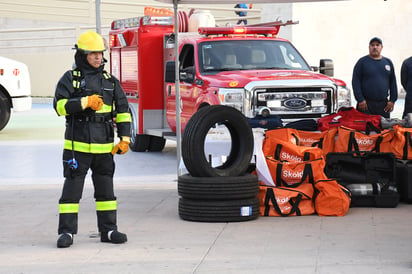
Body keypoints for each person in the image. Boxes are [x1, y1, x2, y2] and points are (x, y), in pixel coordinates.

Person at [53, 30, 132, 248]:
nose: (98, 57)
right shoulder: (70, 79)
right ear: (82, 54)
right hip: (76, 148)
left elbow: (123, 111)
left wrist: (124, 138)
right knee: (71, 192)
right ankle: (66, 233)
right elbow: (59, 106)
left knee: (106, 193)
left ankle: (108, 231)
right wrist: (84, 102)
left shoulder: (111, 82)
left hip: (104, 149)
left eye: (100, 53)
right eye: (93, 53)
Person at [352, 37, 398, 118]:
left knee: (384, 129)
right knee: (365, 129)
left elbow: (393, 82)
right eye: (372, 45)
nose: (375, 47)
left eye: (377, 45)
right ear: (369, 47)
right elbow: (355, 82)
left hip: (384, 105)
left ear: (381, 47)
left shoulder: (388, 62)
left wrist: (392, 100)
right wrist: (360, 99)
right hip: (365, 105)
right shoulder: (362, 62)